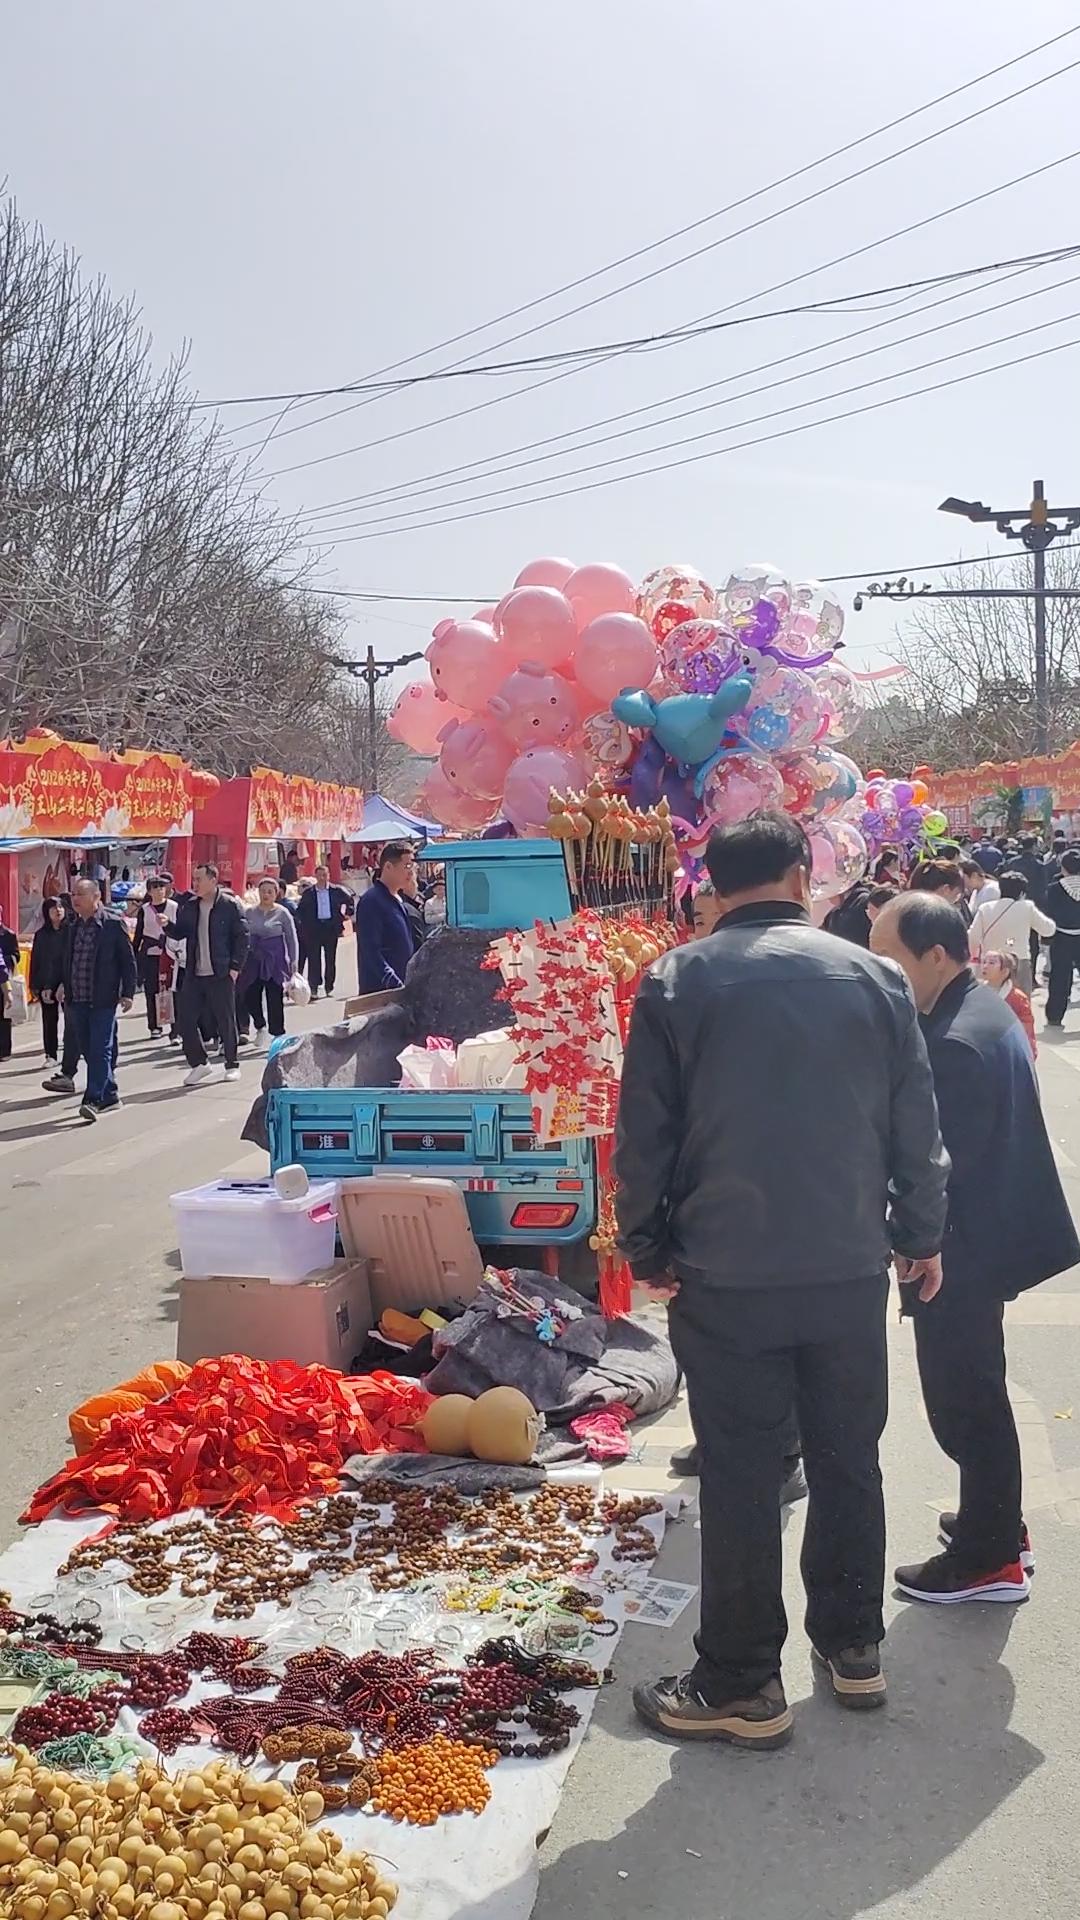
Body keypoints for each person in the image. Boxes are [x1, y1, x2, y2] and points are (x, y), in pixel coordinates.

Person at [617, 812, 948, 1745]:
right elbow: (914, 1126)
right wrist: (921, 1233)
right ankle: (853, 1647)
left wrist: (646, 1247)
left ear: (715, 888)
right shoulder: (877, 977)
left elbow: (644, 1137)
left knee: (743, 1470)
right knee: (849, 1456)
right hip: (846, 1264)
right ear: (805, 876)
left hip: (725, 1273)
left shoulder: (677, 980)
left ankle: (739, 1678)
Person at [870, 893, 1078, 1602]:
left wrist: (915, 1242)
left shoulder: (953, 1038)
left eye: (888, 957)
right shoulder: (970, 1009)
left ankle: (990, 1559)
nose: (878, 969)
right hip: (988, 1234)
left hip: (963, 1247)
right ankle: (996, 1520)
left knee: (965, 1398)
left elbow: (937, 1168)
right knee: (974, 1386)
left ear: (935, 955)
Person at [58, 876, 136, 1121]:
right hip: (76, 998)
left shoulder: (112, 925)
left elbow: (128, 961)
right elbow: (69, 960)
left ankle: (92, 1100)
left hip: (102, 998)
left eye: (81, 894)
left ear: (96, 897)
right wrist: (62, 985)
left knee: (101, 1047)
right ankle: (110, 1093)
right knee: (87, 1048)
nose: (75, 899)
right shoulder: (73, 927)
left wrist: (128, 993)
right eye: (74, 895)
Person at [174, 862, 249, 1087]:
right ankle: (199, 1063)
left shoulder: (229, 905)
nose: (195, 884)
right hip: (195, 973)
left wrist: (235, 968)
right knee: (185, 1019)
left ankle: (232, 1063)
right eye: (194, 879)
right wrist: (167, 926)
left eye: (199, 879)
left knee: (225, 1018)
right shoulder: (190, 906)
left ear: (213, 880)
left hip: (221, 972)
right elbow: (182, 932)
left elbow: (242, 937)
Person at [967, 869, 1054, 997]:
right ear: (1022, 892)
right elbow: (1048, 930)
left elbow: (973, 938)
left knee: (990, 1001)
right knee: (1020, 1002)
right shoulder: (1026, 907)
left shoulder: (985, 908)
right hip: (1019, 961)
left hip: (990, 962)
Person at [236, 877, 300, 1043]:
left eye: (270, 892)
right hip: (253, 959)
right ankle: (260, 1025)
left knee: (274, 996)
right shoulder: (249, 912)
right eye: (263, 891)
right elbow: (241, 935)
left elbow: (292, 939)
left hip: (275, 960)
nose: (266, 894)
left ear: (276, 893)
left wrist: (294, 962)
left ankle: (278, 1034)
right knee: (250, 994)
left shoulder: (282, 913)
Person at [355, 843, 416, 992]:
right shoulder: (372, 901)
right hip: (381, 992)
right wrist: (392, 981)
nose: (411, 873)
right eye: (407, 866)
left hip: (402, 987)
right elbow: (370, 950)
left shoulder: (398, 899)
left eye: (412, 867)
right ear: (388, 867)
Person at [295, 863, 353, 999]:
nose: (322, 878)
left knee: (330, 958)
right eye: (320, 875)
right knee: (314, 959)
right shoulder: (309, 893)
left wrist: (347, 912)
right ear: (315, 876)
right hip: (314, 929)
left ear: (328, 876)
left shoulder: (336, 891)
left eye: (325, 875)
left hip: (331, 928)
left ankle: (329, 986)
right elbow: (300, 911)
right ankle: (314, 987)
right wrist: (303, 925)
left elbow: (350, 901)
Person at [133, 876, 176, 1038]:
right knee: (151, 990)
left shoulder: (173, 906)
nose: (159, 890)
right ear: (149, 891)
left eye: (161, 887)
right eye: (155, 887)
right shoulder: (144, 910)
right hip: (150, 954)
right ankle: (155, 1026)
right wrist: (134, 954)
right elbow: (138, 934)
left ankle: (175, 1029)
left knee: (171, 990)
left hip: (170, 953)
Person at [30, 898, 69, 1065]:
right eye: (53, 908)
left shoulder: (71, 932)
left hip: (68, 982)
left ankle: (72, 1052)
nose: (58, 910)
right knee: (49, 1020)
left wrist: (65, 983)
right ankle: (50, 1054)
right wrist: (38, 986)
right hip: (48, 983)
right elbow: (37, 961)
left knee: (72, 1020)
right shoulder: (42, 935)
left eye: (60, 907)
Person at [1045, 848, 1080, 1027]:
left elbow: (1049, 913)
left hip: (1062, 936)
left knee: (1059, 977)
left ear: (1063, 867)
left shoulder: (1054, 888)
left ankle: (1055, 1015)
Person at [980, 949, 1037, 1057]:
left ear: (1005, 971)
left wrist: (1028, 1053)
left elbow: (1026, 1028)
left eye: (992, 963)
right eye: (984, 962)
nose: (985, 966)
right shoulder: (976, 993)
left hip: (1008, 1049)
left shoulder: (1018, 998)